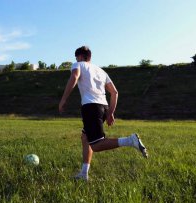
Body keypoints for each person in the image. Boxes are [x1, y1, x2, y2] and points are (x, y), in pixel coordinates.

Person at [59, 46, 148, 181]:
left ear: (81, 57)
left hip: (91, 107)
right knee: (85, 138)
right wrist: (110, 112)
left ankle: (130, 141)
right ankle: (84, 173)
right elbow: (114, 92)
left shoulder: (78, 65)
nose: (76, 59)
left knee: (96, 145)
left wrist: (63, 99)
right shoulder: (101, 71)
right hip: (103, 106)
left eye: (76, 57)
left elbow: (74, 76)